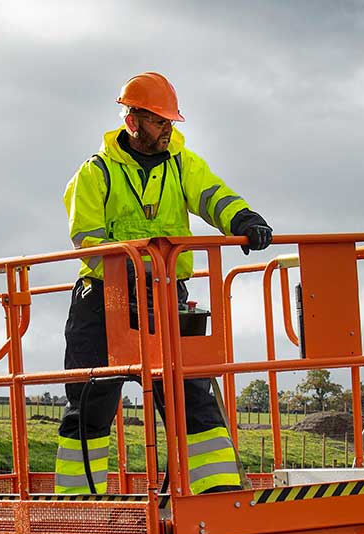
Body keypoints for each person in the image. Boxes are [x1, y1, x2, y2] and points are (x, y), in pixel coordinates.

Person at [55, 71, 273, 496]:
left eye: (170, 121)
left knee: (190, 394)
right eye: (159, 121)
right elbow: (85, 238)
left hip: (166, 294)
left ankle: (218, 496)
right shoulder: (94, 173)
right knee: (90, 400)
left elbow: (212, 195)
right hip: (105, 296)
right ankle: (77, 503)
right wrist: (137, 263)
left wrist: (244, 220)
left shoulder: (180, 162)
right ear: (132, 121)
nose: (167, 129)